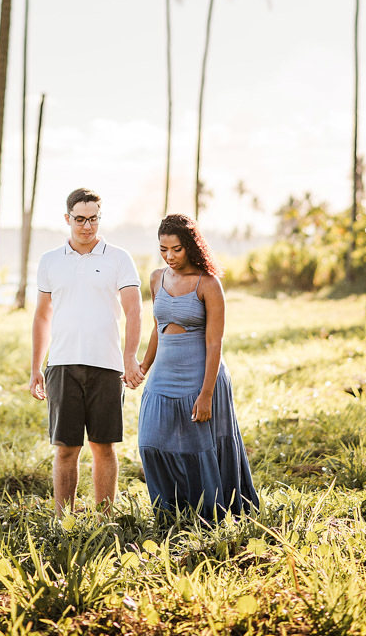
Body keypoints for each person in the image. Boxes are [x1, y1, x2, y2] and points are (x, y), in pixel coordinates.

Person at [30, 187, 144, 513]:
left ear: (99, 218)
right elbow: (42, 315)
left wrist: (129, 356)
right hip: (62, 365)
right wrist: (36, 366)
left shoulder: (119, 258)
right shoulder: (50, 261)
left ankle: (103, 520)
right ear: (67, 218)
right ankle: (62, 520)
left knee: (103, 447)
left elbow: (134, 311)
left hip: (107, 366)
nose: (87, 227)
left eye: (93, 219)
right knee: (66, 450)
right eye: (80, 219)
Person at [138, 213, 258, 522]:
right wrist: (143, 367)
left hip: (202, 376)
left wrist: (206, 395)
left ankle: (209, 514)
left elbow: (214, 343)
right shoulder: (156, 278)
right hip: (164, 374)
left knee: (200, 449)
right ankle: (169, 511)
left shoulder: (208, 284)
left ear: (191, 245)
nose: (169, 256)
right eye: (163, 249)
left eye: (176, 249)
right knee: (151, 443)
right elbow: (157, 328)